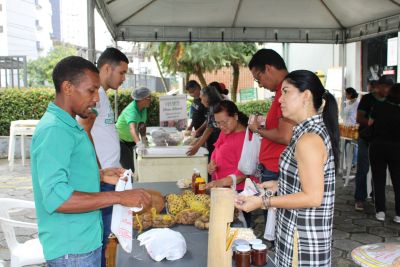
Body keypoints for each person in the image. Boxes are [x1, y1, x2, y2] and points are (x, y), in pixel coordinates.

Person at [30, 56, 151, 266]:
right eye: (91, 91)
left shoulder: (68, 125)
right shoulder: (54, 130)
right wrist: (119, 198)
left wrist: (100, 174)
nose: (96, 98)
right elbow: (57, 199)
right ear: (67, 87)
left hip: (84, 239)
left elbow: (70, 175)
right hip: (72, 249)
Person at [235, 70, 339, 267]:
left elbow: (313, 197)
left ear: (306, 95)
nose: (280, 99)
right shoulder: (306, 132)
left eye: (286, 92)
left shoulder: (308, 139)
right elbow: (309, 180)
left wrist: (263, 202)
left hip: (303, 243)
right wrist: (277, 184)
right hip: (295, 235)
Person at [78, 47, 128, 267]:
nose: (124, 79)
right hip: (103, 179)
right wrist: (98, 170)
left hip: (108, 175)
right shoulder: (95, 96)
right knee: (101, 237)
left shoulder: (102, 96)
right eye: (122, 73)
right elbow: (83, 130)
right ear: (107, 68)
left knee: (106, 235)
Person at [205, 100, 259, 226]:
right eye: (218, 123)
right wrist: (211, 164)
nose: (221, 126)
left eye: (224, 122)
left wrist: (219, 182)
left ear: (235, 116)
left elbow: (243, 173)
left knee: (240, 228)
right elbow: (216, 149)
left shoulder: (247, 139)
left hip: (240, 193)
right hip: (224, 190)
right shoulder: (225, 132)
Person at [354, 76, 392, 211]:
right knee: (363, 169)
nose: (388, 90)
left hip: (381, 140)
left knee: (378, 171)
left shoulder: (390, 100)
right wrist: (372, 122)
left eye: (390, 87)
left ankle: (376, 196)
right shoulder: (367, 99)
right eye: (386, 87)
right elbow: (359, 117)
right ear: (379, 86)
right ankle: (360, 198)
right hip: (366, 138)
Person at [368, 83, 400, 223]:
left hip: (378, 146)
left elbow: (370, 123)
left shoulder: (379, 106)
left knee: (378, 178)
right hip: (397, 148)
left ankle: (380, 211)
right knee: (398, 180)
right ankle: (399, 214)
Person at [116, 87, 152, 170]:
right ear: (141, 99)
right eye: (149, 98)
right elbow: (132, 129)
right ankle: (128, 182)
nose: (151, 100)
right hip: (120, 140)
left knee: (140, 163)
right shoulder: (131, 110)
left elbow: (142, 125)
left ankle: (136, 181)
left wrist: (143, 139)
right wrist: (139, 144)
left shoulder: (143, 108)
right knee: (129, 169)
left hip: (131, 139)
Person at [186, 85, 222, 159]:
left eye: (202, 98)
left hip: (218, 139)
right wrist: (198, 139)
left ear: (207, 97)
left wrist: (197, 146)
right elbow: (208, 122)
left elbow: (209, 129)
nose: (201, 101)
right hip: (214, 139)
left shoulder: (216, 107)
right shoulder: (211, 107)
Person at [342, 87, 359, 169]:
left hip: (353, 127)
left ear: (350, 94)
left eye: (346, 93)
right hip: (347, 128)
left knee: (354, 145)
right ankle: (349, 162)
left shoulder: (357, 103)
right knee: (347, 145)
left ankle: (354, 162)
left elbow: (356, 116)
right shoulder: (349, 103)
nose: (345, 95)